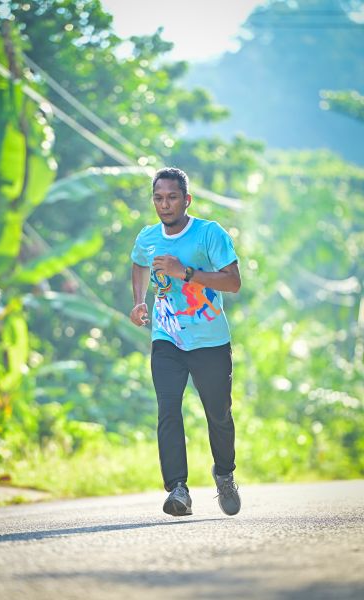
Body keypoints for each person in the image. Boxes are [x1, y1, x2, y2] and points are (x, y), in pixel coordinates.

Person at [130, 167, 241, 517]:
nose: (165, 204)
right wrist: (139, 301)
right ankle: (177, 488)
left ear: (187, 199)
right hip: (167, 338)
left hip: (210, 341)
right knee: (168, 410)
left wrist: (185, 273)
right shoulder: (148, 237)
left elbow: (233, 282)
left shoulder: (209, 233)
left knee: (218, 414)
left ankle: (224, 475)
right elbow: (139, 263)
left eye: (172, 197)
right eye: (158, 198)